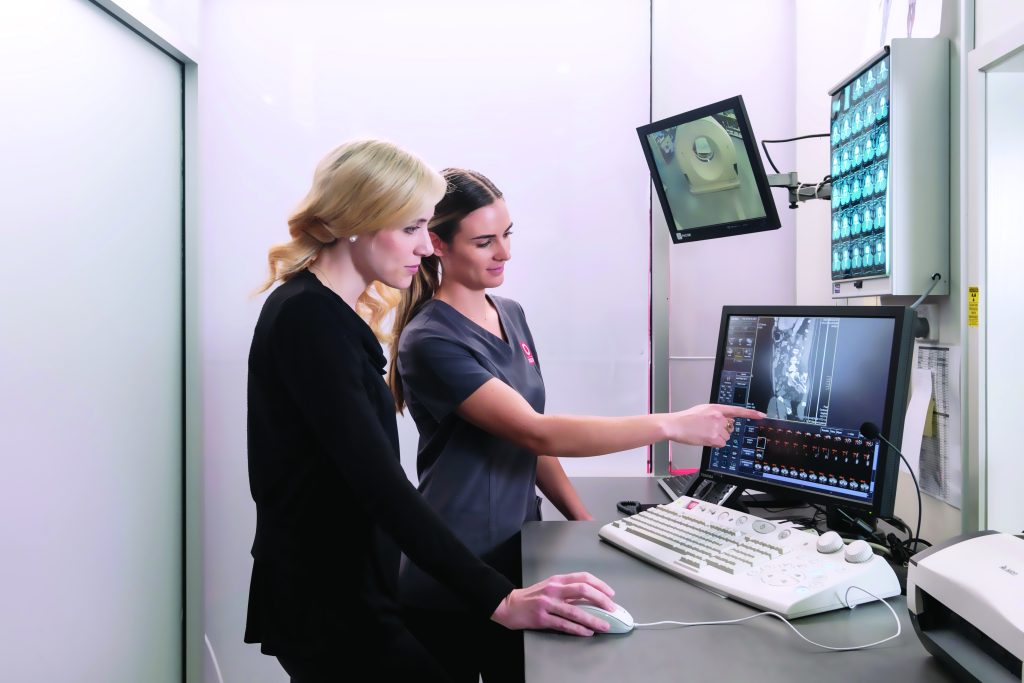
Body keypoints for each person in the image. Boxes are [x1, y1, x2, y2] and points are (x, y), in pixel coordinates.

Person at [244, 141, 618, 683]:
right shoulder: (310, 319)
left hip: (351, 586)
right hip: (328, 598)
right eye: (411, 228)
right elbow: (381, 486)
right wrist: (500, 599)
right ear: (358, 220)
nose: (425, 247)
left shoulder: (330, 313)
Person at [389, 168, 765, 682]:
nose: (504, 253)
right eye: (484, 241)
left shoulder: (510, 314)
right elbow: (537, 432)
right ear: (437, 244)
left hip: (519, 551)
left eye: (507, 235)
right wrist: (672, 424)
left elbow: (532, 438)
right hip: (454, 571)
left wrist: (584, 522)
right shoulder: (430, 341)